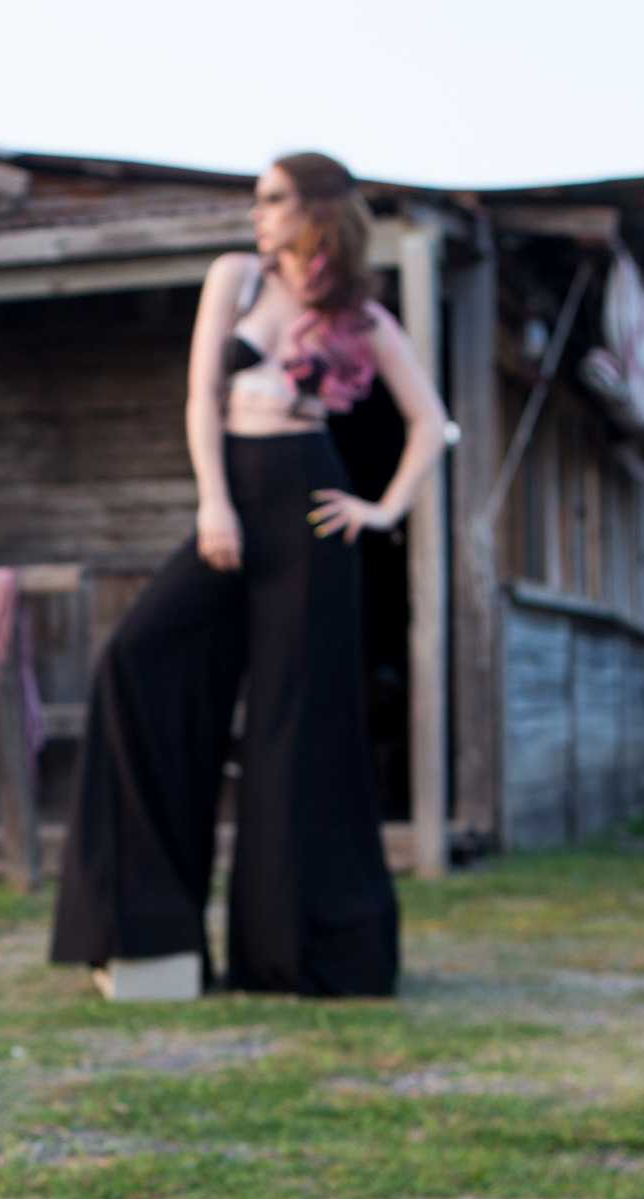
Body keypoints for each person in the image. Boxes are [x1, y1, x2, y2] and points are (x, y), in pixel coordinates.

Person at [49, 152, 449, 999]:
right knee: (136, 660)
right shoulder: (233, 276)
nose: (256, 212)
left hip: (311, 510)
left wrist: (381, 511)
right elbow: (201, 398)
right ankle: (143, 930)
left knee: (293, 727)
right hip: (233, 501)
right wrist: (213, 505)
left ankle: (296, 958)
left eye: (271, 198)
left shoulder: (359, 317)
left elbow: (431, 424)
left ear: (316, 209)